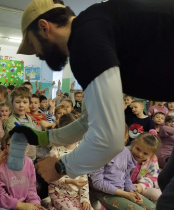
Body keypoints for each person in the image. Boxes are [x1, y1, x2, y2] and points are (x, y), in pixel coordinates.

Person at [14, 0, 174, 195]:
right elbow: (89, 121)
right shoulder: (93, 27)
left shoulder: (85, 40)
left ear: (44, 27)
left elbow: (110, 139)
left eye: (33, 43)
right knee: (167, 180)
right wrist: (43, 137)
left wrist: (60, 168)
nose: (37, 54)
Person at [90, 126, 155, 210]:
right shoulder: (100, 153)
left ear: (126, 137)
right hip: (103, 193)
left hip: (122, 191)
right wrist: (125, 194)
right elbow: (97, 183)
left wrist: (133, 191)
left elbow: (126, 177)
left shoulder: (126, 153)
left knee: (153, 207)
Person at [0, 133, 43, 210]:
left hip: (24, 204)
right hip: (1, 205)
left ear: (27, 148)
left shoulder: (29, 163)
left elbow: (31, 189)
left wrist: (35, 204)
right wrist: (20, 205)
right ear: (6, 148)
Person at [4, 86, 36, 161]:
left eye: (25, 102)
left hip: (31, 158)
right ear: (12, 103)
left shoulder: (29, 118)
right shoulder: (11, 122)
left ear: (29, 104)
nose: (21, 105)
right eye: (17, 102)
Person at [130, 132, 162, 202]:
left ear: (151, 154)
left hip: (139, 186)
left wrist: (141, 186)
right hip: (122, 185)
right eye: (138, 149)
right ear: (133, 144)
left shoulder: (152, 159)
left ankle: (138, 196)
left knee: (157, 194)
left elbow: (153, 176)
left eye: (145, 153)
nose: (140, 154)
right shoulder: (125, 154)